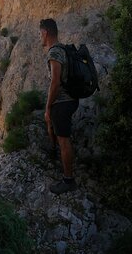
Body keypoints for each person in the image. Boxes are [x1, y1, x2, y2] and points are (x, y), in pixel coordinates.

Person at [39, 18, 79, 194]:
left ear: (45, 33)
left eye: (40, 33)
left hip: (62, 102)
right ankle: (57, 159)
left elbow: (55, 82)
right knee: (59, 135)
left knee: (64, 140)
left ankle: (68, 180)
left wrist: (48, 107)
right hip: (71, 98)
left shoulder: (54, 52)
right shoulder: (63, 48)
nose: (40, 37)